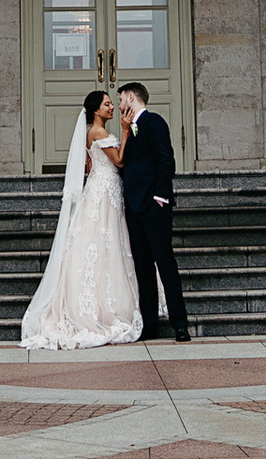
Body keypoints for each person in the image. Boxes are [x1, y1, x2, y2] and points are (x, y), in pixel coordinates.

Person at [17, 89, 142, 348]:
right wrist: (126, 131)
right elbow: (118, 161)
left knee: (104, 243)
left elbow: (91, 163)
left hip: (104, 189)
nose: (111, 108)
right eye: (107, 104)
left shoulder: (95, 133)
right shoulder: (98, 132)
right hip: (103, 193)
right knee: (100, 242)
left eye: (111, 104)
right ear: (96, 110)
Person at [116, 81, 190, 340]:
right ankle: (149, 325)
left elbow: (165, 159)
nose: (119, 104)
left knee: (165, 264)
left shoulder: (154, 122)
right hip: (134, 207)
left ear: (132, 97)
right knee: (143, 267)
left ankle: (180, 323)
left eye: (121, 98)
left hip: (154, 205)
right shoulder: (128, 128)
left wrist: (160, 196)